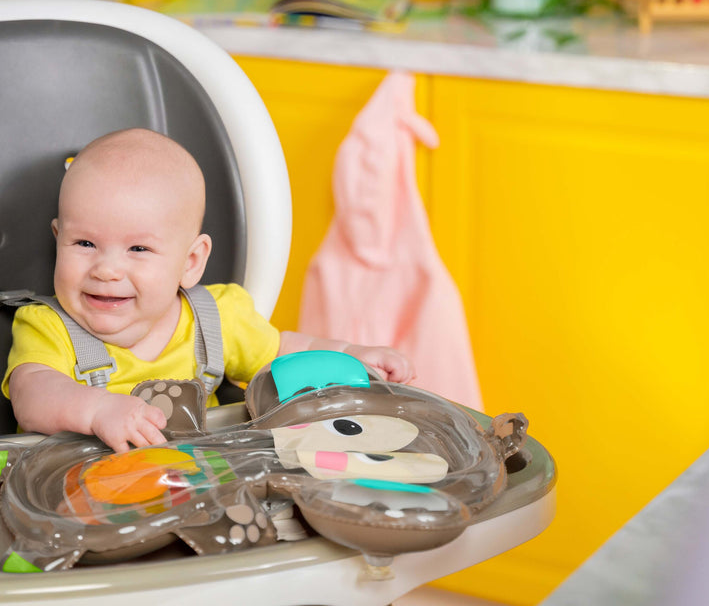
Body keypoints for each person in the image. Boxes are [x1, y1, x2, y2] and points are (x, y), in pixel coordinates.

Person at [2, 129, 414, 452]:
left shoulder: (218, 317)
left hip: (197, 481)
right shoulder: (47, 326)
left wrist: (348, 356)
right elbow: (31, 393)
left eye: (139, 249)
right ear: (58, 238)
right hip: (77, 489)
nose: (106, 270)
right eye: (84, 244)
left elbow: (281, 352)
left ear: (191, 262)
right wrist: (95, 411)